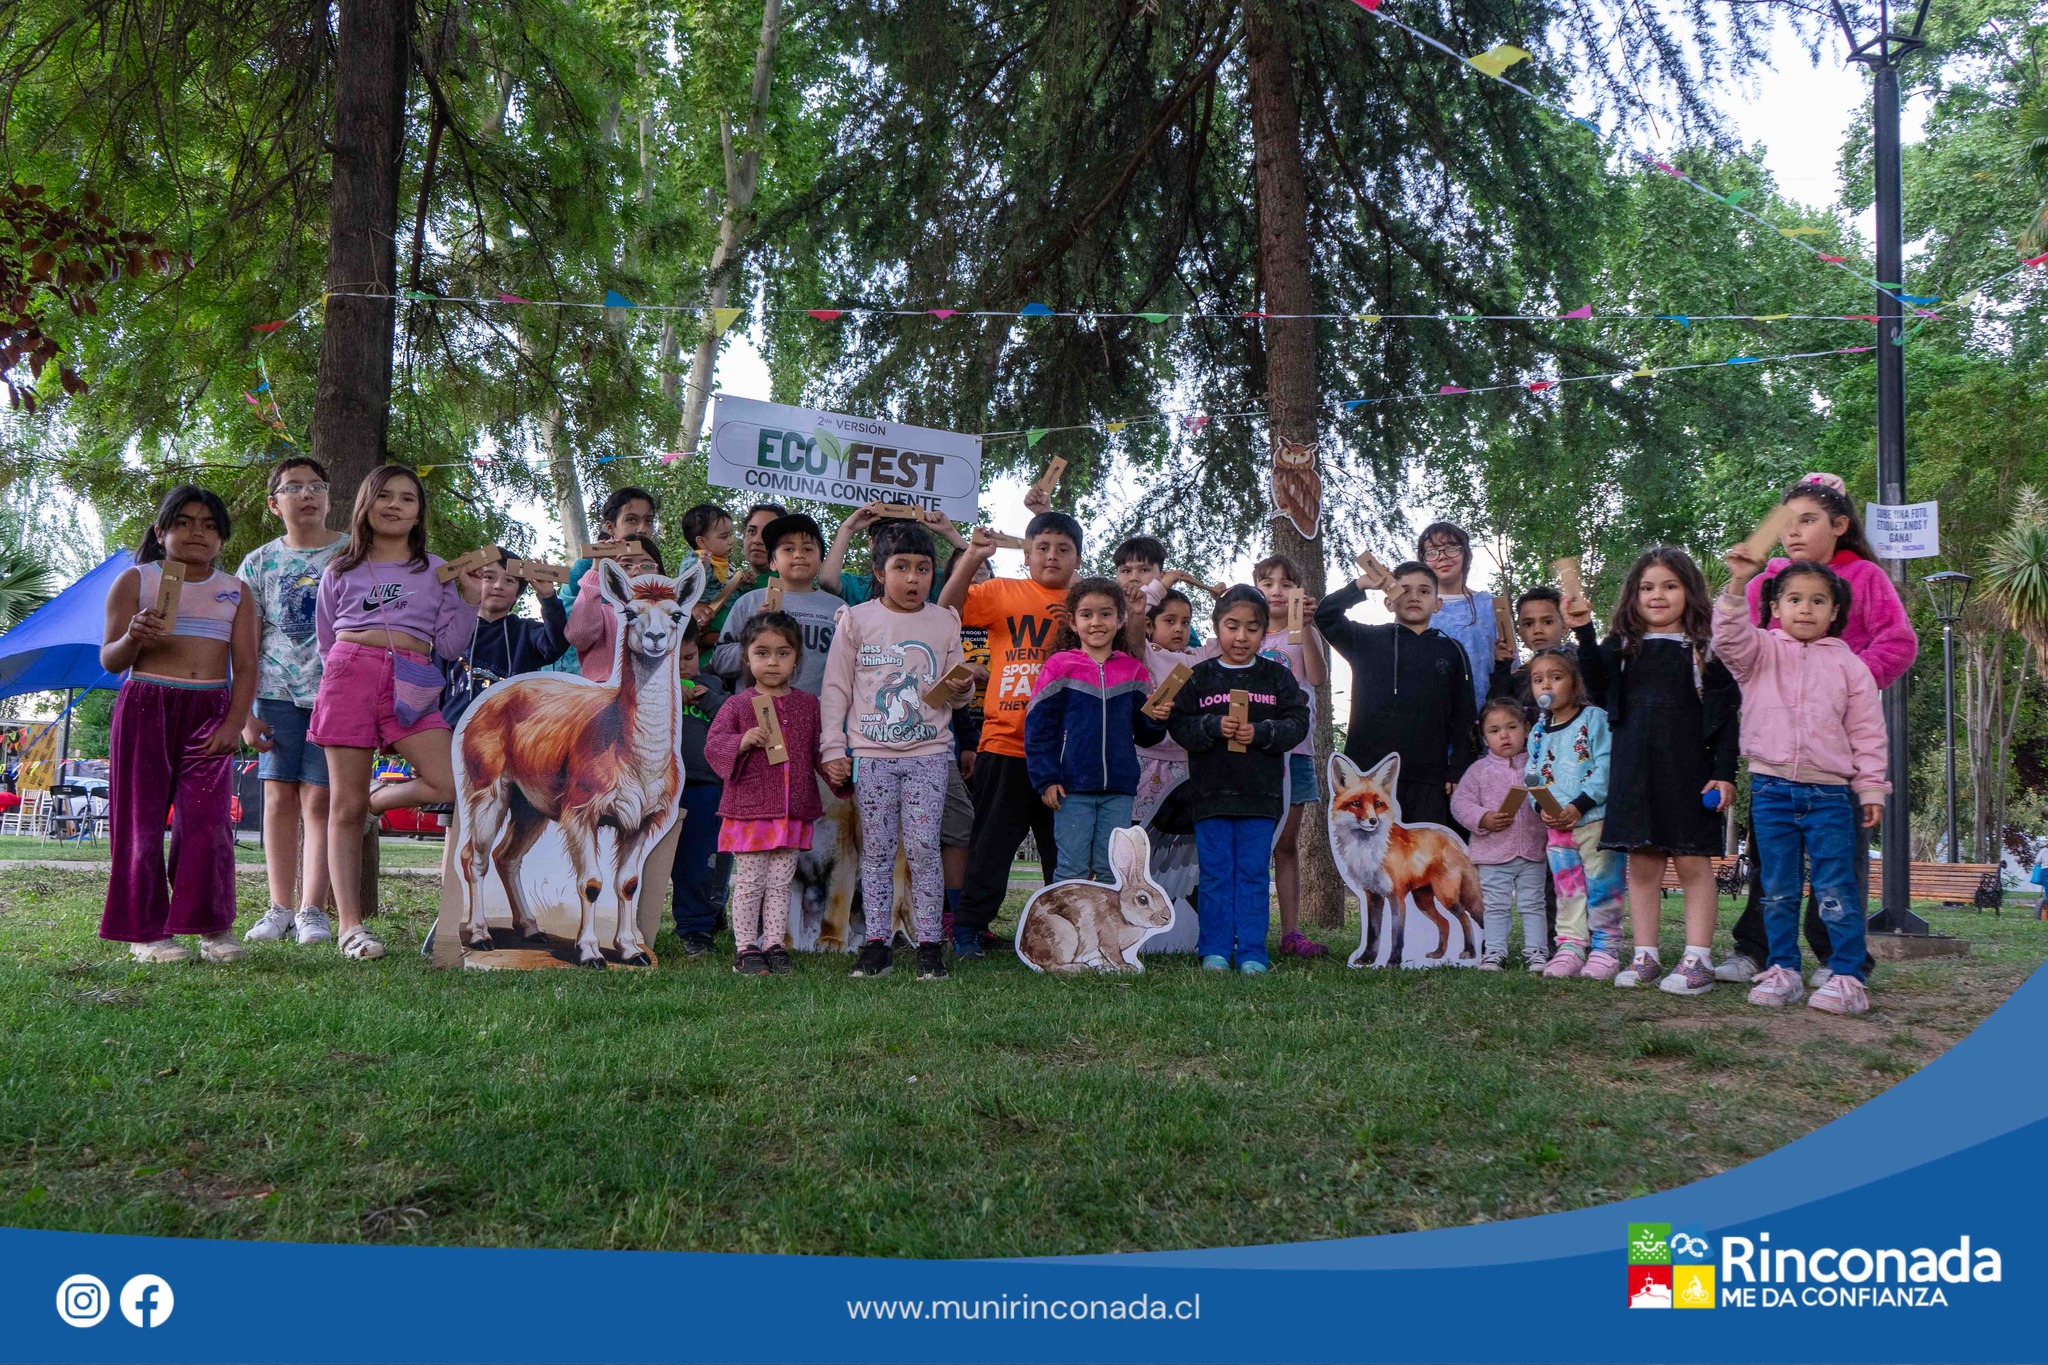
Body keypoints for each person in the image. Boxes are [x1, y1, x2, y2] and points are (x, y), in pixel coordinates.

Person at [1719, 472, 1919, 987]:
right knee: (1770, 864)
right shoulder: (1768, 580)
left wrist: (1843, 681)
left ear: (1839, 526)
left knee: (1840, 867)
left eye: (1808, 520)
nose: (1794, 531)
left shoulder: (1866, 577)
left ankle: (1840, 962)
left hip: (1836, 758)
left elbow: (1898, 643)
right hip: (1776, 758)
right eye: (1787, 522)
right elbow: (1735, 641)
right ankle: (1760, 953)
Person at [312, 465, 484, 961]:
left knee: (450, 781)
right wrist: (345, 676)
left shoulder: (437, 570)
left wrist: (471, 599)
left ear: (418, 512)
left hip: (414, 677)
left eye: (407, 498)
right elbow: (326, 640)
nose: (394, 505)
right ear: (365, 504)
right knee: (344, 808)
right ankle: (350, 927)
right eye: (384, 495)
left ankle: (379, 798)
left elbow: (449, 647)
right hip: (349, 673)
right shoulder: (339, 569)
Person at [1716, 551, 1888, 1014]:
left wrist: (1871, 787)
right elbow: (1727, 637)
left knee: (1836, 886)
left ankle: (1847, 976)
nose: (1805, 609)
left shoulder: (1850, 667)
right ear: (1775, 607)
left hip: (1831, 794)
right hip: (1770, 791)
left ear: (1835, 611)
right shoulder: (1759, 653)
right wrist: (1737, 584)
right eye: (1794, 599)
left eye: (1818, 600)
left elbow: (1867, 732)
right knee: (1776, 888)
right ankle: (1782, 970)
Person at [98, 485, 258, 964]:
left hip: (209, 711)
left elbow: (246, 665)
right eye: (184, 522)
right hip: (145, 705)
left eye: (209, 526)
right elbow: (110, 660)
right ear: (160, 531)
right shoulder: (136, 580)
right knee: (140, 822)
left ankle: (213, 928)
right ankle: (147, 934)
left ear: (222, 539)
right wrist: (133, 636)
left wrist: (234, 723)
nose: (197, 533)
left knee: (208, 824)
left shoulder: (236, 590)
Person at [819, 520, 972, 980]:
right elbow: (836, 689)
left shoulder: (945, 621)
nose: (912, 578)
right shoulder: (856, 619)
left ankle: (930, 945)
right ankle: (877, 945)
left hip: (929, 754)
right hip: (872, 757)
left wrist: (962, 688)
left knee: (924, 848)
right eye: (900, 567)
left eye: (923, 568)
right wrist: (833, 748)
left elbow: (955, 692)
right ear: (878, 572)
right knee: (878, 850)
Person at [1590, 547, 1739, 996]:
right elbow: (1593, 684)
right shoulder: (1619, 649)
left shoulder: (1706, 650)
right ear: (1632, 596)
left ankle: (1698, 959)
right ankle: (1645, 956)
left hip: (1690, 773)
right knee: (1642, 863)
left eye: (1670, 586)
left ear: (1689, 592)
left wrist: (1725, 773)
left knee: (1693, 861)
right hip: (1635, 773)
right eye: (1647, 587)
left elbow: (1726, 718)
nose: (1657, 595)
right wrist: (1581, 629)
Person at [940, 511, 1089, 958]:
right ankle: (969, 928)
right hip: (1005, 743)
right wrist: (972, 556)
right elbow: (949, 607)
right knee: (991, 845)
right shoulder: (1004, 591)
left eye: (1063, 549)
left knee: (1062, 850)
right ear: (1026, 554)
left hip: (1066, 750)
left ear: (1078, 558)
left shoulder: (1088, 604)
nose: (1052, 556)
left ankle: (1065, 935)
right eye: (1042, 547)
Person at [1167, 586, 1310, 974]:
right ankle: (1214, 950)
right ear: (1217, 627)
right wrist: (1211, 726)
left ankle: (1252, 952)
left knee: (1252, 874)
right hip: (1210, 794)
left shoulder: (1277, 677)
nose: (1241, 637)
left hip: (1260, 796)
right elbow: (1178, 724)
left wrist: (1262, 732)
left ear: (1264, 631)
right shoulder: (1198, 677)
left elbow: (1298, 723)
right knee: (1214, 874)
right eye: (1232, 626)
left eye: (1252, 628)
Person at [236, 456, 347, 947]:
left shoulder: (352, 554)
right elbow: (245, 642)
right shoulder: (258, 563)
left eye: (316, 486)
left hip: (337, 693)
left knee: (320, 799)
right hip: (274, 692)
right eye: (294, 487)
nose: (307, 495)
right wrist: (244, 713)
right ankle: (279, 908)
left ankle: (312, 911)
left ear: (328, 498)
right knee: (279, 796)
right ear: (274, 504)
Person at [702, 613, 835, 977]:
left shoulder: (808, 705)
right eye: (762, 653)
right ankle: (746, 947)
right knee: (749, 882)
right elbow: (713, 745)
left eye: (783, 653)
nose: (773, 662)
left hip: (791, 811)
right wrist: (741, 742)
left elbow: (819, 752)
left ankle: (774, 943)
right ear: (747, 658)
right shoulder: (737, 705)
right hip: (750, 812)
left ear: (797, 658)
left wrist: (840, 775)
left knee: (780, 883)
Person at [1024, 577, 1168, 884]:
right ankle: (1067, 919)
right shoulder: (1059, 666)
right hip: (1071, 788)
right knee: (1072, 870)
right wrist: (1046, 779)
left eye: (1105, 613)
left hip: (1119, 789)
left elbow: (1147, 735)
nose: (1096, 622)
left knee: (1111, 871)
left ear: (1121, 619)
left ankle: (1106, 920)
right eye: (1086, 614)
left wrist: (1158, 718)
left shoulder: (1134, 670)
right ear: (1073, 622)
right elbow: (1038, 728)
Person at [1314, 558, 1475, 828]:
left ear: (1437, 604)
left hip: (1429, 777)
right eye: (1404, 590)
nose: (1414, 597)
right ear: (1388, 601)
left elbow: (1465, 716)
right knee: (1371, 852)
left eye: (1424, 591)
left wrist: (1459, 769)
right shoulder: (1367, 641)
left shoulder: (1452, 650)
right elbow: (1325, 616)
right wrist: (1361, 585)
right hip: (1369, 775)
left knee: (1424, 853)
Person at [1520, 650, 1623, 979]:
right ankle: (1571, 946)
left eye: (1556, 677)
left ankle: (1605, 948)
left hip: (1594, 821)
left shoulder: (1594, 719)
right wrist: (1541, 807)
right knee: (1568, 890)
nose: (1546, 685)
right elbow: (1531, 775)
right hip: (1557, 828)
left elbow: (1607, 765)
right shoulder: (1538, 732)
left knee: (1602, 886)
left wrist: (1580, 804)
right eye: (1538, 679)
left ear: (1575, 683)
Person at [1251, 554, 1329, 958]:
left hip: (1295, 751)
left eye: (1286, 583)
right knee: (1250, 844)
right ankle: (1246, 929)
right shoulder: (1248, 635)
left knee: (1285, 843)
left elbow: (1317, 677)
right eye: (1268, 583)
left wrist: (1309, 627)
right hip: (1252, 752)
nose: (1277, 591)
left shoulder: (1301, 634)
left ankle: (1290, 932)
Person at [1451, 698, 1550, 970]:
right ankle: (1494, 952)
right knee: (1495, 906)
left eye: (1512, 727)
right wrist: (1483, 818)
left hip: (1533, 851)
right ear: (1484, 738)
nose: (1504, 735)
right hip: (1492, 854)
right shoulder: (1479, 771)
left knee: (1533, 904)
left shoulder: (1538, 766)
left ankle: (1537, 952)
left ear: (1527, 729)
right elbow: (1459, 804)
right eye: (1494, 731)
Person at [713, 514, 843, 695]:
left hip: (817, 710)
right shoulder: (749, 602)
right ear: (773, 562)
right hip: (755, 709)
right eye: (788, 549)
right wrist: (755, 636)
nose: (798, 555)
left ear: (821, 560)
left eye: (807, 549)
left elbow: (849, 665)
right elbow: (720, 661)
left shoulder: (838, 608)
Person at [439, 553, 569, 729]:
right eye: (489, 577)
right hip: (453, 734)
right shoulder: (452, 631)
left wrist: (548, 598)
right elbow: (434, 685)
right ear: (474, 580)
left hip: (509, 734)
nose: (498, 586)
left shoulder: (527, 631)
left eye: (509, 580)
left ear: (517, 593)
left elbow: (556, 644)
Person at [670, 630, 731, 957]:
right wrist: (669, 695)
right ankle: (633, 924)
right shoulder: (649, 686)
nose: (682, 666)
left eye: (689, 657)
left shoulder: (713, 685)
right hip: (656, 785)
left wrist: (705, 699)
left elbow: (731, 720)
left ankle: (697, 927)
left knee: (699, 860)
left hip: (703, 784)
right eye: (673, 659)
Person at [553, 486, 660, 672]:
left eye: (648, 521)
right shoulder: (587, 568)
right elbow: (576, 630)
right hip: (580, 675)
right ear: (610, 527)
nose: (642, 529)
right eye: (631, 519)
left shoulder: (653, 567)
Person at [1488, 584, 1607, 711]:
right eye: (1528, 624)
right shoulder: (1519, 677)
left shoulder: (1581, 662)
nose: (1537, 630)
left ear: (1564, 627)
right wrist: (1502, 668)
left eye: (1547, 622)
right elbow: (1499, 711)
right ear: (1519, 633)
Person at [1417, 521, 1497, 711]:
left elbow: (1510, 661)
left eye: (1452, 548)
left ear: (1467, 555)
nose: (1442, 557)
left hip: (1486, 715)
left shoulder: (1490, 605)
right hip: (1430, 715)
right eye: (1432, 552)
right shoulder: (1416, 607)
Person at [820, 502, 968, 604]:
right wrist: (847, 529)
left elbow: (974, 577)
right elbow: (828, 581)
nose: (898, 538)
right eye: (888, 534)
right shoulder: (859, 586)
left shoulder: (932, 578)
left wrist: (949, 532)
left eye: (906, 532)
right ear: (872, 543)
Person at [565, 535, 663, 684]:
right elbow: (579, 637)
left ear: (660, 574)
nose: (636, 572)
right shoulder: (602, 614)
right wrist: (596, 570)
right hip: (603, 694)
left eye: (647, 566)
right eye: (626, 565)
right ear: (611, 575)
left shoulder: (670, 616)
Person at [678, 503, 743, 643]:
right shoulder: (695, 560)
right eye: (724, 537)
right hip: (710, 617)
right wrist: (703, 567)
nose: (731, 541)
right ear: (701, 541)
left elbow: (730, 586)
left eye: (731, 535)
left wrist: (744, 582)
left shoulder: (725, 562)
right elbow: (688, 589)